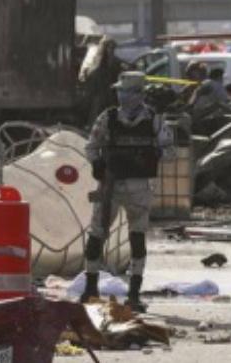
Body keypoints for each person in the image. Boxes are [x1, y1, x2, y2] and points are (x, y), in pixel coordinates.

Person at [81, 71, 175, 312]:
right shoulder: (108, 117)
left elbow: (170, 151)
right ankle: (90, 289)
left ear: (140, 94)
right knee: (96, 235)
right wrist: (97, 164)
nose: (122, 96)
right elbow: (91, 146)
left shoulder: (155, 120)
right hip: (110, 184)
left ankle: (134, 294)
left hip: (139, 186)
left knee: (137, 237)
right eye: (120, 91)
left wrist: (152, 154)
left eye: (128, 92)